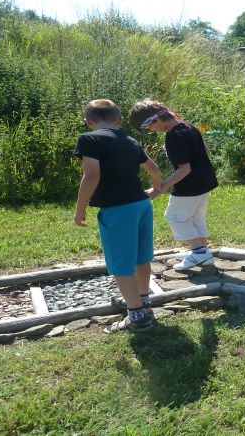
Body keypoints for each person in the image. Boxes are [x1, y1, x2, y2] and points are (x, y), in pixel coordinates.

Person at [73, 99, 164, 333]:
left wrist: (80, 207)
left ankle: (138, 317)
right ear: (120, 120)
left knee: (121, 263)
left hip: (117, 209)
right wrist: (157, 187)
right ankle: (142, 300)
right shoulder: (129, 139)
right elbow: (152, 167)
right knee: (141, 258)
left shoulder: (89, 138)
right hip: (141, 205)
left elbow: (91, 175)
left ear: (88, 121)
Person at [129, 100, 219, 271]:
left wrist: (160, 187)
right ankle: (202, 253)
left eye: (148, 126)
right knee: (195, 217)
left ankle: (198, 252)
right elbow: (206, 150)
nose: (150, 130)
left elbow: (184, 169)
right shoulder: (188, 126)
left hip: (189, 187)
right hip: (205, 181)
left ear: (156, 120)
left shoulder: (174, 137)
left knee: (175, 217)